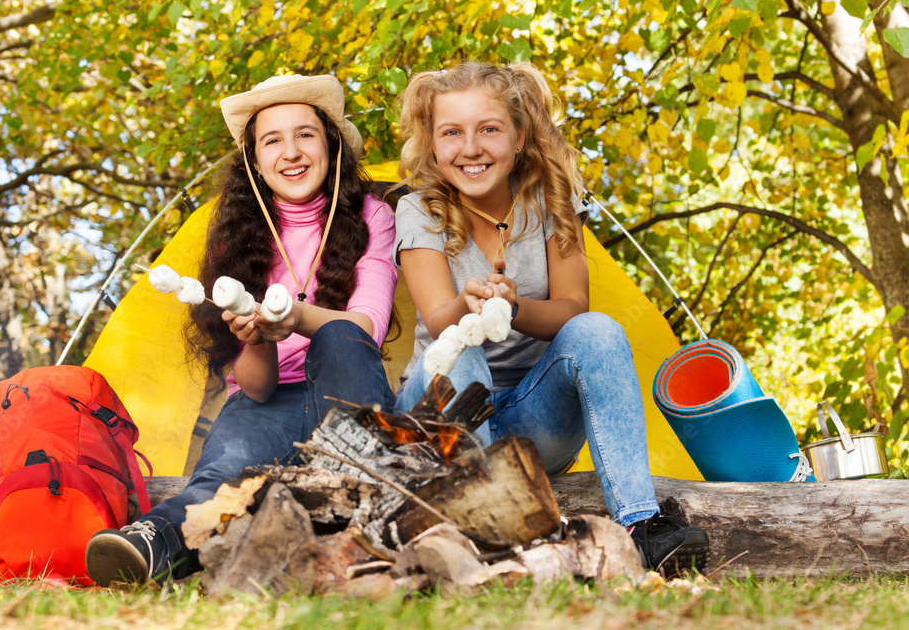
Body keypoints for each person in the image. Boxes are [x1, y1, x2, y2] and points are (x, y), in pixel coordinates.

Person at [392, 61, 710, 575]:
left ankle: (641, 525)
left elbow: (571, 309)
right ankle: (500, 531)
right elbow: (437, 316)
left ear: (519, 137)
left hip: (531, 420)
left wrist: (514, 307)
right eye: (451, 133)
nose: (470, 148)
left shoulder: (550, 199)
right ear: (432, 144)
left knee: (598, 331)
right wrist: (468, 302)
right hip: (438, 416)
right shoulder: (417, 209)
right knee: (462, 350)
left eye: (489, 129)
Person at [85, 74, 398, 585]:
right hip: (265, 402)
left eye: (306, 134)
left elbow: (365, 328)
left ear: (331, 144)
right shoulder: (235, 234)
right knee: (222, 481)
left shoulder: (372, 215)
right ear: (254, 161)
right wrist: (255, 340)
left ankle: (357, 536)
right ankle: (149, 544)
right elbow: (255, 386)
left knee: (339, 338)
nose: (291, 152)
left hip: (347, 393)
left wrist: (295, 320)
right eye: (272, 140)